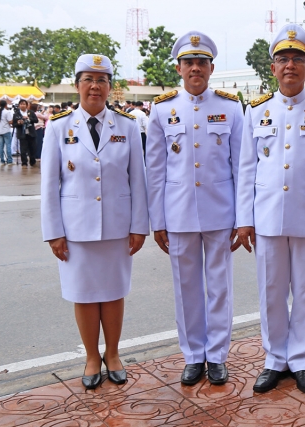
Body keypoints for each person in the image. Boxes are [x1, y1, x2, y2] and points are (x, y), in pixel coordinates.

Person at [236, 24, 305, 395]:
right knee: (271, 290)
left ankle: (301, 359)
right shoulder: (256, 112)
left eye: (298, 59)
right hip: (266, 217)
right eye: (283, 59)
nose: (290, 66)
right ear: (272, 68)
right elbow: (246, 169)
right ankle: (274, 359)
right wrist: (244, 220)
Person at [40, 54, 148, 390]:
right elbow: (49, 185)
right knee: (84, 295)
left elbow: (138, 180)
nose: (95, 86)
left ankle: (113, 354)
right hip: (75, 230)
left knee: (114, 293)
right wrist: (54, 232)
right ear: (77, 85)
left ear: (110, 88)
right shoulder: (59, 127)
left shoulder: (127, 127)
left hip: (117, 227)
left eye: (102, 80)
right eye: (88, 79)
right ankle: (91, 356)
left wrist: (138, 226)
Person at [146, 31, 243, 387]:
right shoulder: (161, 110)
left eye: (202, 62)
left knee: (219, 287)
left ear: (211, 67)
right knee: (186, 287)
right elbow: (154, 171)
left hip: (221, 212)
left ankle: (216, 355)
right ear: (179, 68)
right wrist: (157, 220)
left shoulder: (231, 107)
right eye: (189, 62)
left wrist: (242, 217)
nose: (195, 68)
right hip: (179, 213)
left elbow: (240, 167)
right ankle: (193, 355)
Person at [14, 100, 39, 166]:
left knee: (32, 148)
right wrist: (19, 123)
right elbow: (14, 124)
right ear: (19, 105)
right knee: (23, 149)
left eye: (24, 104)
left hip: (31, 133)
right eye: (21, 104)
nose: (23, 105)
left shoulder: (31, 112)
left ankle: (32, 161)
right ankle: (24, 162)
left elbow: (36, 120)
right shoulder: (16, 114)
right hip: (22, 134)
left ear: (27, 105)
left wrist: (29, 118)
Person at [0, 100, 14, 165]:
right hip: (6, 131)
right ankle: (9, 161)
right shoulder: (7, 112)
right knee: (8, 146)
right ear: (6, 105)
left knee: (1, 146)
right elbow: (10, 121)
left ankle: (2, 161)